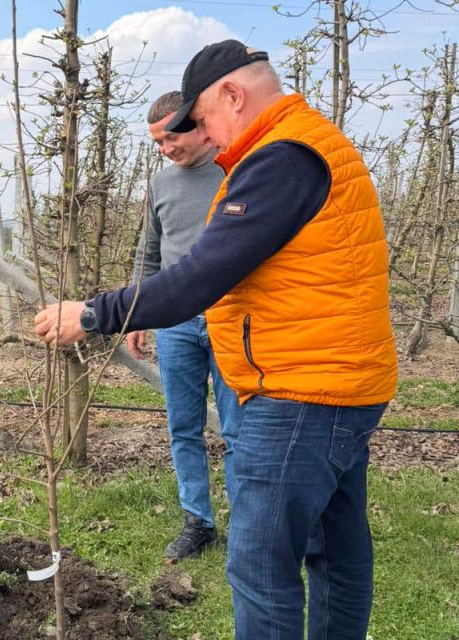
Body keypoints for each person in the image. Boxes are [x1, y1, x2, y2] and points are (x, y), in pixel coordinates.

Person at [34, 40, 397, 639]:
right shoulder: (312, 144)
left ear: (234, 95)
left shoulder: (282, 158)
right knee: (335, 550)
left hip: (300, 394)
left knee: (260, 564)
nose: (207, 137)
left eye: (203, 120)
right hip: (340, 383)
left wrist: (97, 313)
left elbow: (202, 274)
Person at [129, 90, 242, 562]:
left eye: (169, 138)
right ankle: (198, 522)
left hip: (233, 320)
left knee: (240, 430)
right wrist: (138, 311)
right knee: (183, 427)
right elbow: (148, 252)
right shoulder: (159, 184)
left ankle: (249, 523)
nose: (164, 150)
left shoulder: (237, 172)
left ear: (197, 125)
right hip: (175, 324)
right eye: (156, 143)